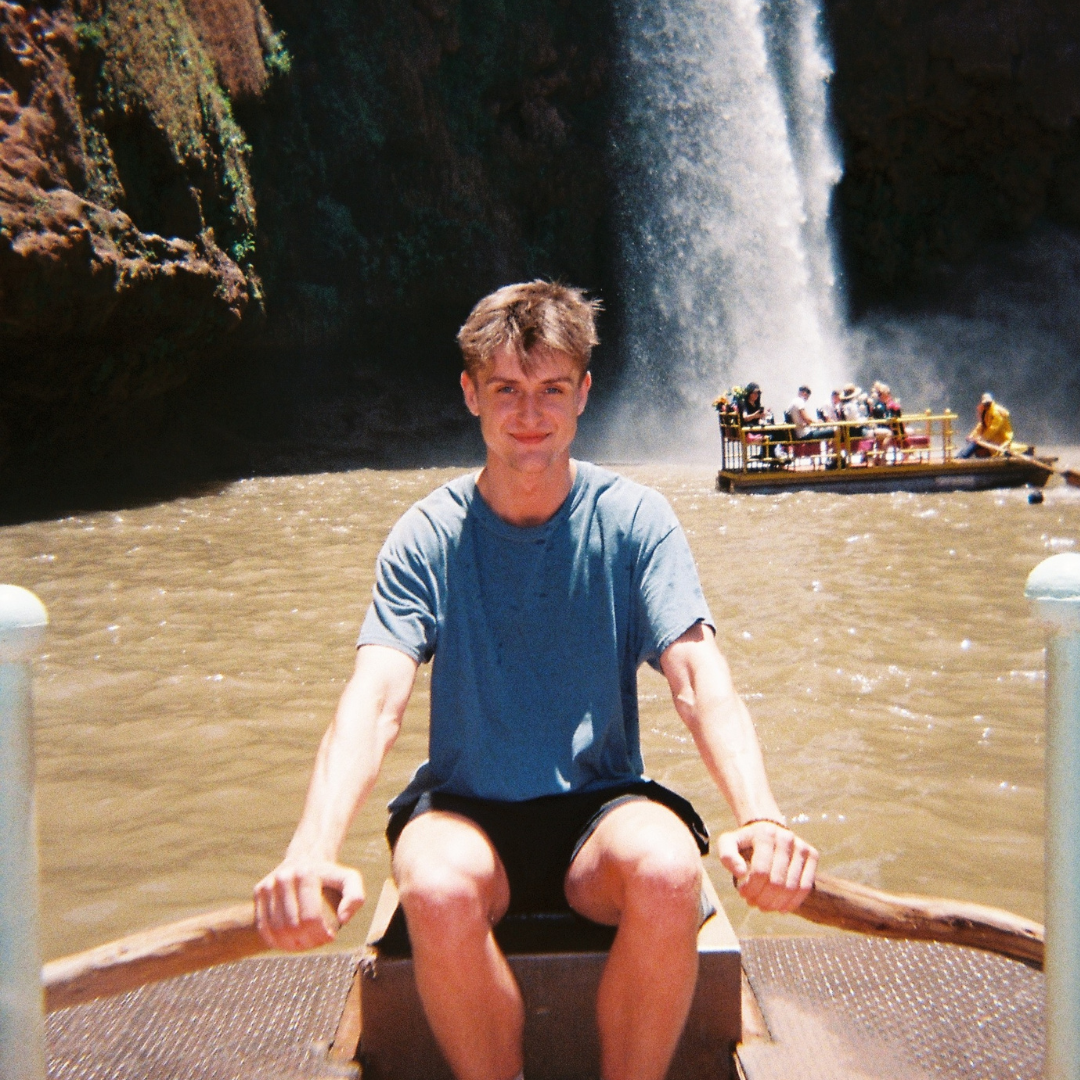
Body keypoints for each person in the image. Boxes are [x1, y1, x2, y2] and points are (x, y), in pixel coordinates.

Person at [254, 281, 817, 1080]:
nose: (530, 413)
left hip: (601, 810)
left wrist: (761, 816)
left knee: (668, 869)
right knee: (434, 887)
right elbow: (373, 702)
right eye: (506, 390)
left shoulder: (637, 521)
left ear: (583, 393)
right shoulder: (426, 535)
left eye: (552, 389)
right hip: (466, 810)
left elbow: (699, 679)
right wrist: (310, 850)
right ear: (470, 394)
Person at [958, 393, 1016, 458]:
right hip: (992, 439)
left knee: (976, 444)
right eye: (985, 403)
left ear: (991, 402)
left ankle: (961, 457)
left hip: (1002, 440)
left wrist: (982, 438)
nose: (986, 404)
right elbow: (982, 425)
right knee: (972, 442)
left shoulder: (997, 412)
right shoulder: (986, 411)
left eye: (988, 403)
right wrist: (972, 435)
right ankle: (958, 457)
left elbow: (993, 429)